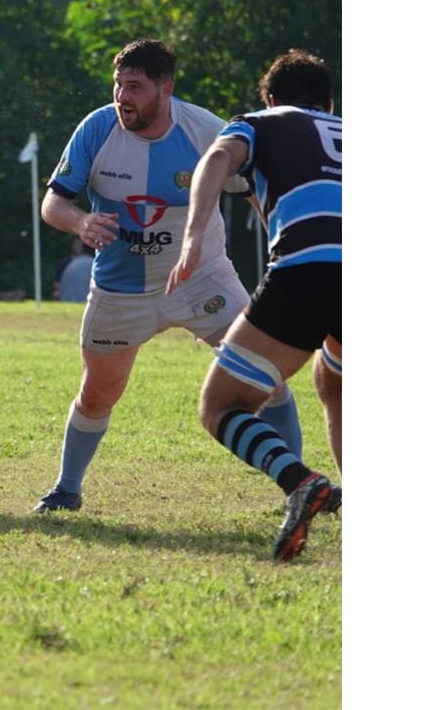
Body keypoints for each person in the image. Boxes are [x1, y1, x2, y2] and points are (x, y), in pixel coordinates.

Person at [32, 39, 305, 514]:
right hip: (121, 290)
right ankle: (66, 489)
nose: (123, 97)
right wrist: (81, 222)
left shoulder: (205, 130)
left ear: (166, 88)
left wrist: (285, 245)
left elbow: (256, 191)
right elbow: (52, 204)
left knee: (268, 375)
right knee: (97, 394)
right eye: (118, 86)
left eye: (134, 87)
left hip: (203, 279)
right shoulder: (97, 129)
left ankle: (298, 487)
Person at [166, 49, 341, 561]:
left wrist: (194, 233)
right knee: (334, 380)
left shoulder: (259, 123)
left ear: (270, 99)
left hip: (308, 268)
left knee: (221, 406)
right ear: (330, 103)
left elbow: (216, 159)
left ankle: (300, 481)